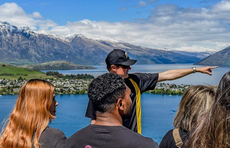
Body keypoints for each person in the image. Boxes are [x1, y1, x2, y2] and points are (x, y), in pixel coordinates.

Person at [85, 49, 217, 133]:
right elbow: (94, 121)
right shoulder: (101, 88)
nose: (129, 69)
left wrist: (195, 70)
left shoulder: (135, 80)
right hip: (111, 140)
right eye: (125, 66)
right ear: (113, 67)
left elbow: (166, 75)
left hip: (132, 139)